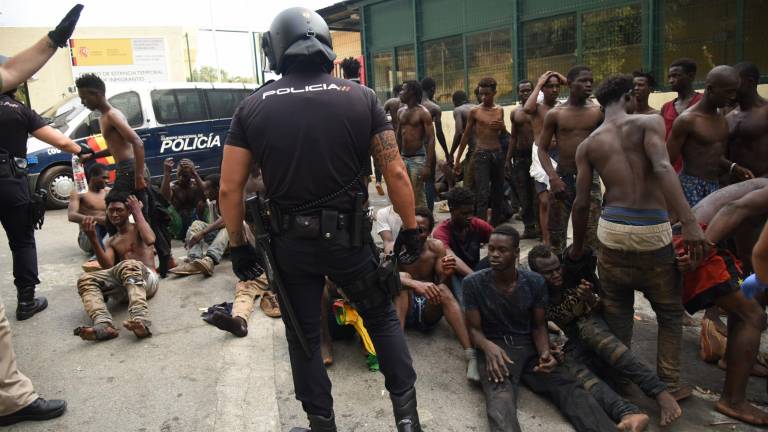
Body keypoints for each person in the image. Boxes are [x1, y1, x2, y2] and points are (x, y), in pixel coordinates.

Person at [218, 8, 423, 431]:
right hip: (349, 241)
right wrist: (413, 229)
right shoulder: (361, 97)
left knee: (304, 334)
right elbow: (395, 171)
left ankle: (321, 425)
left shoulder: (252, 107)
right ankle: (407, 422)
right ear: (326, 45)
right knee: (381, 317)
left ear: (276, 49)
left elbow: (229, 189)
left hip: (291, 248)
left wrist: (238, 246)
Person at [568, 74, 709, 400]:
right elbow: (662, 167)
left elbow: (581, 202)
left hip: (612, 230)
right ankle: (670, 385)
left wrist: (577, 248)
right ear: (629, 96)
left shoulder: (588, 144)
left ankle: (622, 380)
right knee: (670, 312)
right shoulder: (648, 122)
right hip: (651, 230)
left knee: (617, 308)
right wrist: (689, 223)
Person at [0, 4, 83, 425]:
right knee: (22, 241)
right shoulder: (19, 110)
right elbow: (62, 141)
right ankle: (28, 299)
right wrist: (80, 149)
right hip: (11, 183)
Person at [464, 224, 618, 432]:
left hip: (529, 345)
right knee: (501, 399)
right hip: (496, 347)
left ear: (517, 253)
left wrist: (545, 352)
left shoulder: (534, 282)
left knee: (568, 387)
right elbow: (474, 329)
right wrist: (486, 347)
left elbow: (538, 325)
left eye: (502, 250)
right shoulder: (473, 283)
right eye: (491, 249)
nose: (494, 255)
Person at [528, 245, 681, 427]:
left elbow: (604, 307)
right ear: (536, 274)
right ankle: (627, 412)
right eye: (548, 272)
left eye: (557, 268)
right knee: (568, 366)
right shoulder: (538, 294)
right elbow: (540, 327)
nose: (555, 274)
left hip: (595, 326)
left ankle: (660, 393)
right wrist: (552, 351)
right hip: (576, 341)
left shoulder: (573, 276)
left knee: (590, 331)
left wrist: (590, 298)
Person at [674, 179, 768, 425]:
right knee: (753, 316)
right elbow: (732, 210)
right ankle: (733, 401)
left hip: (700, 238)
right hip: (697, 241)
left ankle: (734, 359)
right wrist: (698, 255)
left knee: (749, 300)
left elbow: (750, 242)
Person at [76, 73, 175, 276]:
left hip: (131, 170)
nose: (82, 102)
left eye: (84, 97)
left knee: (128, 212)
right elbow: (116, 148)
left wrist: (138, 176)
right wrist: (93, 155)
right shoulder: (105, 117)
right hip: (127, 168)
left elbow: (137, 143)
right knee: (138, 213)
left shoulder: (112, 115)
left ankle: (161, 261)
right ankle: (151, 259)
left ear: (96, 94)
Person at [393, 207, 476, 379]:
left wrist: (446, 273)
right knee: (401, 279)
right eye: (410, 229)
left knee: (444, 289)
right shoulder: (397, 248)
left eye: (420, 230)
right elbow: (389, 281)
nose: (414, 234)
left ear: (429, 233)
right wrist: (413, 283)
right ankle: (396, 351)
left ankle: (471, 355)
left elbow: (441, 283)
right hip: (405, 308)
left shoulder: (436, 248)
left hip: (429, 309)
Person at [537, 66, 603, 256]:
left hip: (590, 178)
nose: (589, 84)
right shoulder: (556, 114)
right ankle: (559, 279)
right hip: (563, 177)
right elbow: (542, 149)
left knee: (591, 236)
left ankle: (587, 279)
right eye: (583, 80)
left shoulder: (598, 112)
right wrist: (553, 177)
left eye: (591, 80)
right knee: (556, 235)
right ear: (570, 84)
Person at [74, 192, 157, 341]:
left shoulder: (138, 228)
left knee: (128, 264)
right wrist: (93, 239)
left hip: (147, 280)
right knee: (85, 278)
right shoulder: (111, 240)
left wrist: (137, 211)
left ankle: (140, 319)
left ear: (128, 211)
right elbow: (108, 267)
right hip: (126, 286)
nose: (114, 214)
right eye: (111, 210)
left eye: (119, 210)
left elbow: (150, 239)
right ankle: (103, 324)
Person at [667, 65, 753, 208]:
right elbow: (666, 163)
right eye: (728, 92)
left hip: (714, 188)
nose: (733, 97)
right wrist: (673, 204)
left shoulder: (722, 119)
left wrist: (734, 167)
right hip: (689, 188)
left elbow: (712, 155)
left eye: (734, 91)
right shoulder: (687, 120)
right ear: (710, 89)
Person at [453, 77, 508, 226]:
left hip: (497, 153)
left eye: (487, 94)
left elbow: (503, 135)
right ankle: (481, 228)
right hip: (481, 154)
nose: (483, 97)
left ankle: (494, 227)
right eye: (481, 94)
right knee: (482, 194)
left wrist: (502, 127)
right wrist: (457, 160)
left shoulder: (500, 110)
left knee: (497, 194)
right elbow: (465, 136)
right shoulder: (475, 111)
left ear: (494, 92)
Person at [431, 187, 492, 303]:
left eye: (471, 212)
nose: (469, 217)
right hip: (453, 274)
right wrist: (476, 279)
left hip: (473, 270)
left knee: (498, 257)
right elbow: (452, 259)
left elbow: (501, 239)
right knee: (449, 268)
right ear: (452, 210)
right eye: (464, 213)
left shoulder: (477, 224)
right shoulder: (441, 231)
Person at [524, 71, 563, 246]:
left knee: (558, 200)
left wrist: (563, 79)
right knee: (544, 200)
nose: (555, 89)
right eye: (550, 86)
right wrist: (539, 84)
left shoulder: (563, 107)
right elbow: (526, 108)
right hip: (541, 155)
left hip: (560, 155)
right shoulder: (536, 108)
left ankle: (556, 237)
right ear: (543, 88)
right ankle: (546, 240)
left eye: (557, 86)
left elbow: (585, 99)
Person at [169, 174, 227, 276]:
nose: (205, 192)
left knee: (227, 228)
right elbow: (211, 225)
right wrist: (192, 236)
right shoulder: (212, 203)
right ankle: (195, 260)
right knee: (196, 224)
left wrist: (203, 232)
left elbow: (226, 220)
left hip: (232, 242)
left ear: (217, 189)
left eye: (208, 189)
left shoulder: (228, 199)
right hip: (219, 242)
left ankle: (210, 260)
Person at [507, 80, 538, 239]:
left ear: (533, 91)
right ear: (518, 92)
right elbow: (513, 137)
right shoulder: (515, 113)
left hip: (538, 157)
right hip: (520, 158)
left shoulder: (540, 110)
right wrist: (508, 159)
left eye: (528, 90)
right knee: (523, 194)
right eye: (522, 90)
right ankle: (529, 228)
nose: (525, 93)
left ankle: (541, 227)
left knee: (538, 194)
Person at [398, 80, 435, 210]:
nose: (400, 93)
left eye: (403, 90)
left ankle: (423, 225)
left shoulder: (423, 113)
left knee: (418, 195)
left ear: (412, 92)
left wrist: (427, 165)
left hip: (417, 159)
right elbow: (398, 136)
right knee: (404, 194)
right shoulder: (401, 111)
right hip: (403, 158)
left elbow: (431, 139)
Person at [660, 58, 703, 171]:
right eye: (669, 77)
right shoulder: (666, 107)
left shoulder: (703, 102)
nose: (671, 80)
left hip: (696, 171)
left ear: (691, 76)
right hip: (671, 169)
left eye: (676, 76)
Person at [727, 62, 768, 178]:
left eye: (735, 82)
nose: (730, 87)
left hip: (763, 184)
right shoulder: (728, 117)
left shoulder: (765, 112)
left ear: (750, 82)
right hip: (734, 185)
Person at [421, 77, 450, 211]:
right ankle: (429, 214)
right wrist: (447, 152)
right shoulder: (433, 107)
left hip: (409, 150)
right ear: (432, 89)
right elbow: (439, 133)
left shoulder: (407, 106)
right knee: (429, 181)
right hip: (427, 148)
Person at [69, 163, 110, 256]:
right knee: (94, 225)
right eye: (104, 178)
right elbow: (71, 216)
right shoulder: (79, 192)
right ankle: (99, 257)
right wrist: (98, 220)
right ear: (93, 177)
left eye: (107, 178)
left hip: (106, 234)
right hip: (88, 237)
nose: (107, 181)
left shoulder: (108, 192)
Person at [161, 157, 206, 240]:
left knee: (203, 204)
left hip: (195, 221)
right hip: (178, 225)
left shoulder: (195, 184)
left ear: (191, 174)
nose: (181, 178)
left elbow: (207, 194)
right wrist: (167, 173)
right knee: (168, 208)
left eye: (185, 175)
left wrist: (195, 174)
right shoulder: (173, 187)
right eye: (180, 174)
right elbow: (164, 198)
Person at [381, 84, 405, 195]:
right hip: (406, 136)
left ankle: (395, 188)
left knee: (393, 163)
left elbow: (381, 118)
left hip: (393, 136)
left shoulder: (390, 102)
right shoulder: (406, 103)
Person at [451, 90, 476, 190]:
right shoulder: (477, 107)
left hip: (475, 151)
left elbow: (459, 133)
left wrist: (451, 153)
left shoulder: (458, 110)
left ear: (455, 102)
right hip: (491, 149)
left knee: (468, 186)